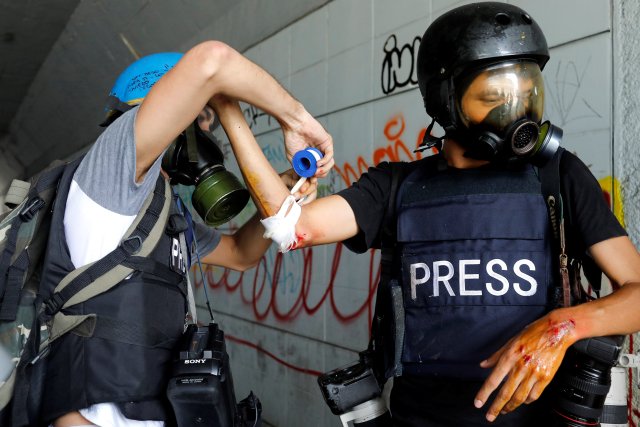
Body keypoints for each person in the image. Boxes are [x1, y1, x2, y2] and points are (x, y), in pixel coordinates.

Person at [208, 2, 640, 426]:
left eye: (528, 93)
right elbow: (289, 227)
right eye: (494, 96)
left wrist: (563, 326)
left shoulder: (559, 176)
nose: (518, 113)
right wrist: (228, 106)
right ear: (444, 98)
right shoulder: (395, 186)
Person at [38, 41, 334, 427]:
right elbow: (212, 60)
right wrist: (295, 120)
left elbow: (241, 255)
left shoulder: (160, 207)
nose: (209, 132)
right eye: (202, 118)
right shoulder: (113, 168)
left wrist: (284, 186)